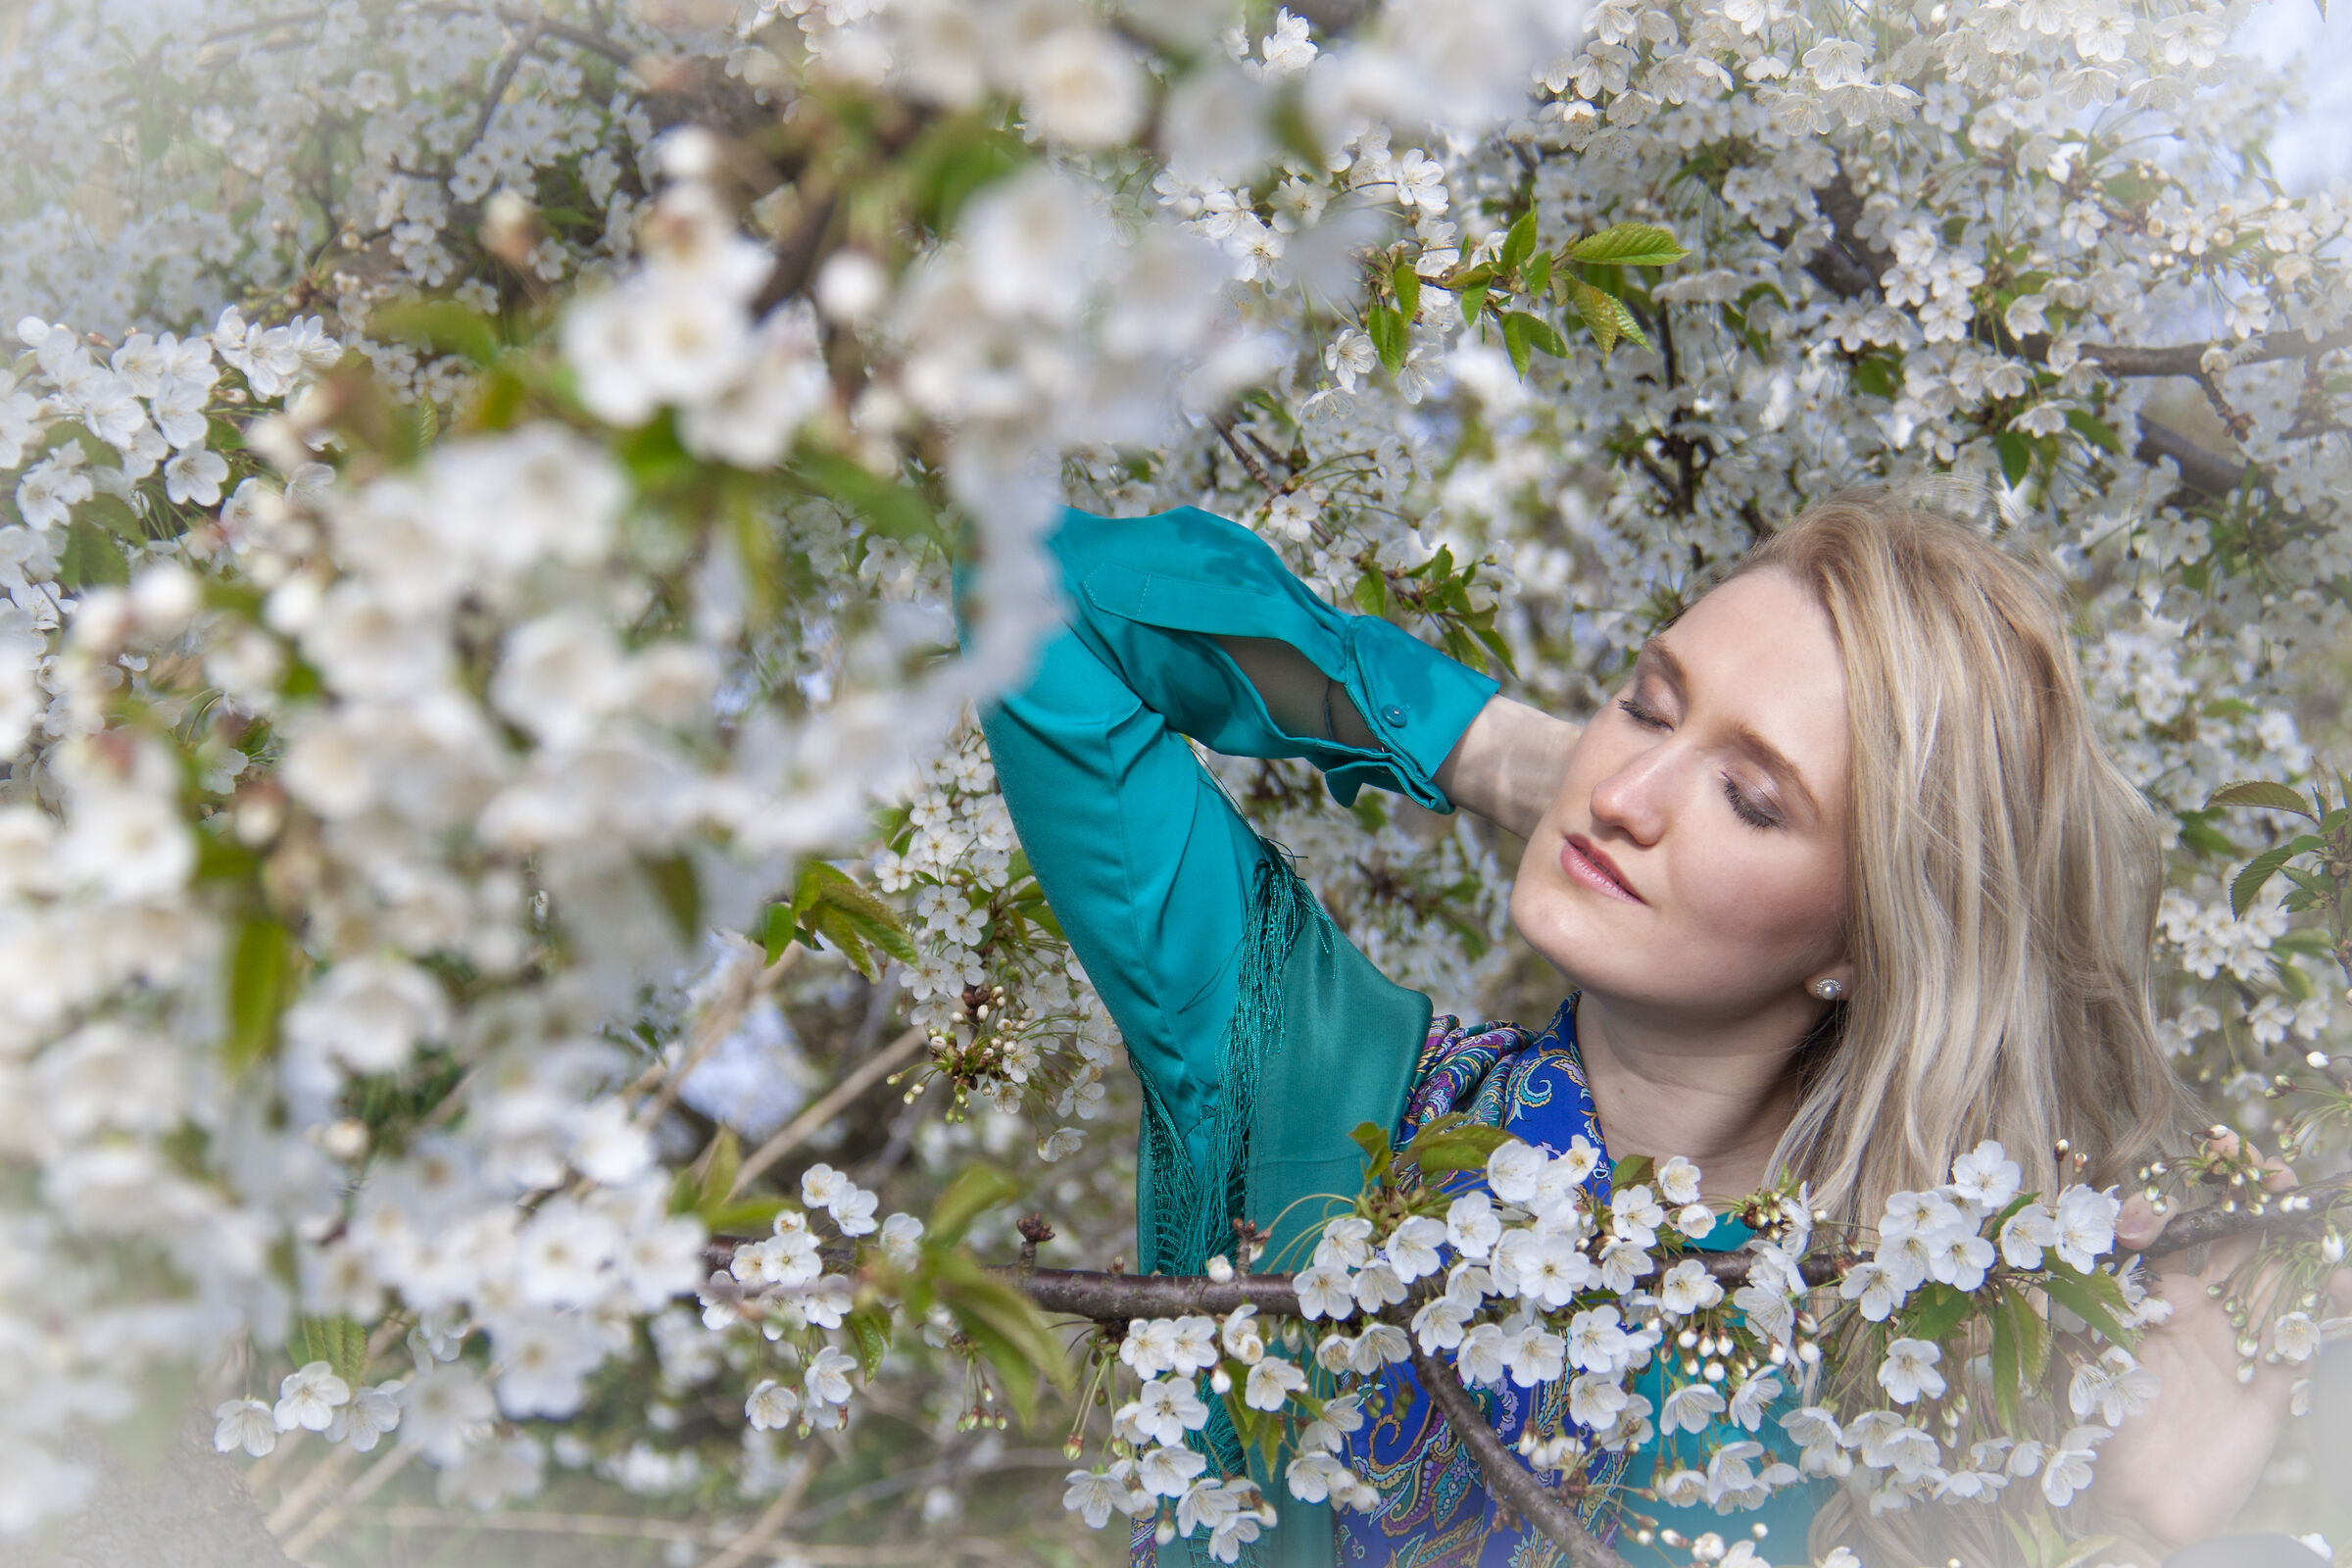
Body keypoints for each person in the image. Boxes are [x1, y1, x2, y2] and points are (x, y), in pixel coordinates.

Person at [973, 491, 2324, 1568]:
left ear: (1866, 941)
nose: (1628, 793)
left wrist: (2149, 1538)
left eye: (1751, 798)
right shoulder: (1320, 1084)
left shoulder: (1929, 1363)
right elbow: (1041, 593)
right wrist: (1498, 750)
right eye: (1646, 704)